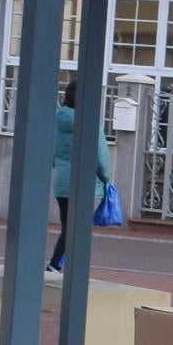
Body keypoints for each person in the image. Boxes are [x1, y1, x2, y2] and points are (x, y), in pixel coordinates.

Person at [49, 99, 111, 271]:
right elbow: (101, 156)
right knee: (76, 226)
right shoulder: (89, 122)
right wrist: (106, 178)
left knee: (68, 225)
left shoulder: (57, 121)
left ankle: (63, 263)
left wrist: (60, 167)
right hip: (83, 182)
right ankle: (56, 264)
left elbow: (51, 150)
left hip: (61, 181)